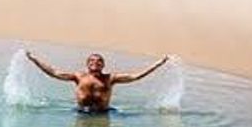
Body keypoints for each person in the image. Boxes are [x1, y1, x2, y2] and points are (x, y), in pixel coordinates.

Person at [26, 52, 170, 114]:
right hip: (81, 113)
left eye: (99, 61)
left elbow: (136, 76)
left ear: (103, 65)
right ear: (87, 64)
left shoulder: (110, 78)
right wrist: (34, 60)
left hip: (104, 113)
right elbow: (54, 73)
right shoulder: (78, 76)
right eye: (92, 61)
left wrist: (158, 64)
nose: (95, 63)